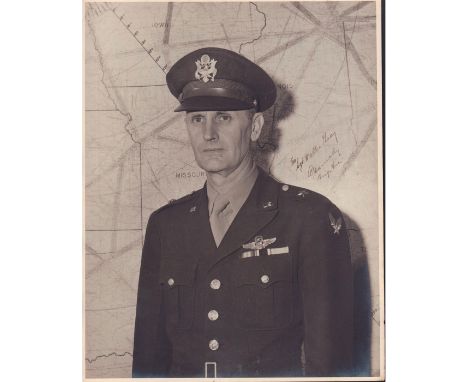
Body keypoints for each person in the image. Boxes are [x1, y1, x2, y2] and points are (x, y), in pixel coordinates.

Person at [132, 47, 353, 378]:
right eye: (197, 119)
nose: (208, 134)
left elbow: (331, 363)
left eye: (223, 117)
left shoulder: (308, 218)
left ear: (255, 127)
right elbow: (149, 361)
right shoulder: (166, 226)